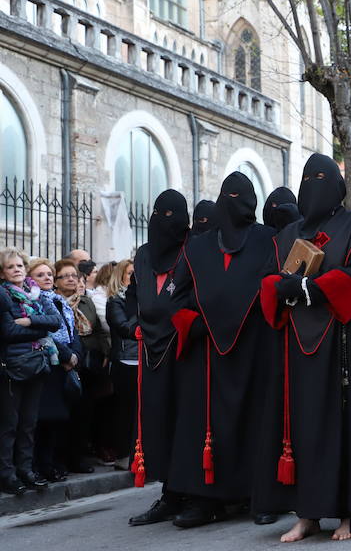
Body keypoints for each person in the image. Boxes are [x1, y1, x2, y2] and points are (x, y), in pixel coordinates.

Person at [255, 154, 351, 541]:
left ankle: (350, 513)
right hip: (296, 350)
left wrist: (309, 288)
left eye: (322, 178)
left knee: (343, 425)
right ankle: (308, 514)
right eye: (307, 178)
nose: (314, 184)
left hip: (341, 345)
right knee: (301, 426)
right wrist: (279, 286)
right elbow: (267, 282)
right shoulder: (284, 236)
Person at [167, 172, 275, 527]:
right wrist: (197, 323)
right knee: (204, 426)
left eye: (246, 196)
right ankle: (204, 501)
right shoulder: (197, 247)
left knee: (256, 421)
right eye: (233, 196)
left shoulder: (269, 240)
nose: (240, 203)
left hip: (256, 348)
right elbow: (177, 295)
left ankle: (259, 498)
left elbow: (278, 285)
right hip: (207, 355)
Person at [128, 190, 191, 526]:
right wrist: (130, 323)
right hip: (150, 349)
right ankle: (169, 492)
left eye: (170, 214)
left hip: (184, 349)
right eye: (157, 213)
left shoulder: (193, 250)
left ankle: (190, 491)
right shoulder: (143, 255)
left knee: (185, 421)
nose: (162, 220)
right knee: (158, 421)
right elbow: (133, 295)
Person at [0, 248, 60, 495]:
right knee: (10, 424)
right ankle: (7, 474)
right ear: (3, 272)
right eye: (11, 267)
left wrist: (31, 321)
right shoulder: (4, 295)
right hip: (12, 367)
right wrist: (41, 329)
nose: (17, 270)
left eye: (20, 266)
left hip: (37, 363)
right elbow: (8, 332)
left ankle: (25, 469)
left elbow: (54, 322)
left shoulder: (36, 294)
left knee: (28, 423)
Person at [27, 258, 81, 483]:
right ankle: (36, 466)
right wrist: (67, 356)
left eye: (49, 274)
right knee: (41, 420)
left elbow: (73, 331)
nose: (47, 278)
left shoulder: (61, 302)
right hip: (46, 364)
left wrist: (76, 354)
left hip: (64, 366)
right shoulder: (33, 301)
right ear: (32, 280)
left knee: (57, 420)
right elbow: (43, 331)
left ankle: (50, 465)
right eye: (41, 275)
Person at [54, 261, 108, 473]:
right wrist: (70, 355)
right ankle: (60, 459)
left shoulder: (86, 301)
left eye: (73, 276)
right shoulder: (54, 302)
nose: (70, 279)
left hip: (87, 364)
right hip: (63, 365)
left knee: (83, 414)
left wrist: (104, 352)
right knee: (62, 415)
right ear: (57, 281)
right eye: (64, 276)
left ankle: (78, 457)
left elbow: (99, 331)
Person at [106, 260, 138, 471]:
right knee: (125, 411)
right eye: (131, 274)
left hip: (146, 360)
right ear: (121, 277)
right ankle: (124, 454)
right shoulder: (116, 301)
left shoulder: (144, 299)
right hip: (126, 361)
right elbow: (124, 327)